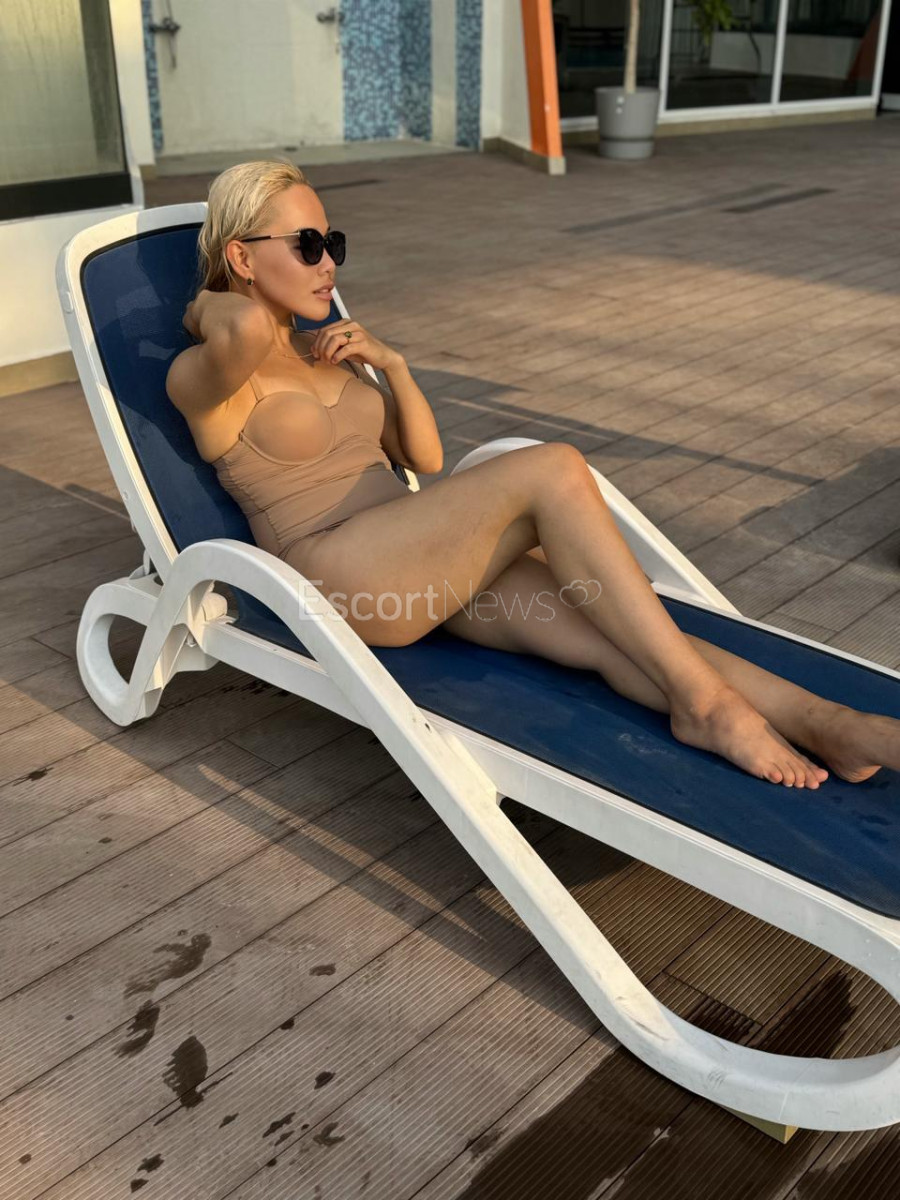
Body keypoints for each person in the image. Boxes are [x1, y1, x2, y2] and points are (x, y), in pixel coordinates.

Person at [166, 160, 899, 791]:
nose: (329, 263)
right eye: (308, 245)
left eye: (335, 243)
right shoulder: (205, 376)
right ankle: (708, 709)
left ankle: (829, 723)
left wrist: (392, 366)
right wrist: (202, 304)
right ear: (242, 258)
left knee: (614, 632)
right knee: (554, 468)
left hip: (415, 566)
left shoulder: (328, 350)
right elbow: (246, 328)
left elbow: (423, 459)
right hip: (335, 581)